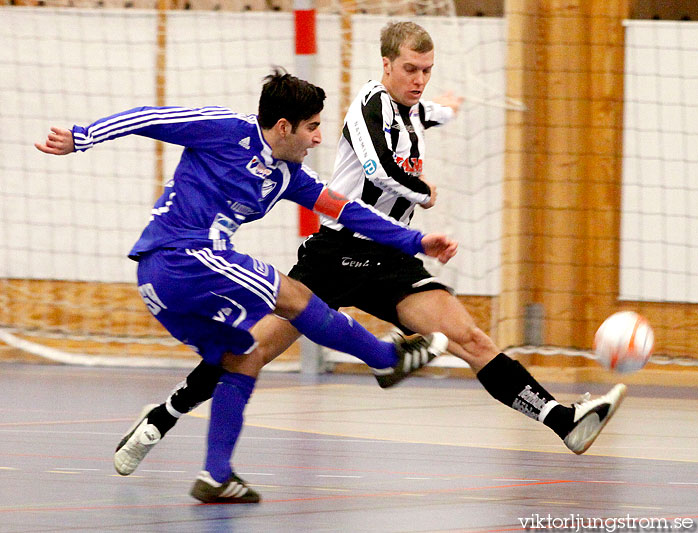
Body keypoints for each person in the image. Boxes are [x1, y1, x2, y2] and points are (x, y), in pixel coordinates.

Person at [108, 22, 626, 499]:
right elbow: (378, 171)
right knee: (251, 352)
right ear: (385, 66)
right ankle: (164, 417)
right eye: (409, 70)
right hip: (337, 254)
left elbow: (427, 115)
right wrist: (421, 194)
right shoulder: (369, 108)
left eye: (427, 71)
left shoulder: (413, 109)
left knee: (471, 338)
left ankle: (562, 420)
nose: (419, 80)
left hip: (392, 257)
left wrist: (448, 107)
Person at [34, 68, 461, 503]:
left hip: (170, 280)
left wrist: (417, 241)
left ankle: (216, 474)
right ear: (282, 127)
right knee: (295, 296)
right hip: (181, 256)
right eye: (312, 127)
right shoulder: (226, 130)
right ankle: (385, 358)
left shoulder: (290, 176)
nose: (317, 139)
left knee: (245, 355)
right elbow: (150, 116)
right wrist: (81, 137)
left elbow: (347, 210)